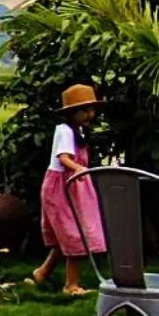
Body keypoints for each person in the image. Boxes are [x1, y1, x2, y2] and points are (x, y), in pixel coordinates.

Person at [30, 84, 107, 296]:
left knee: (66, 236)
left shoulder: (78, 131)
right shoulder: (64, 131)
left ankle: (42, 272)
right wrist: (80, 169)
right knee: (74, 236)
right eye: (84, 110)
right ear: (71, 113)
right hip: (61, 190)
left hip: (72, 188)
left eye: (91, 109)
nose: (89, 114)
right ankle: (71, 285)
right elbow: (63, 158)